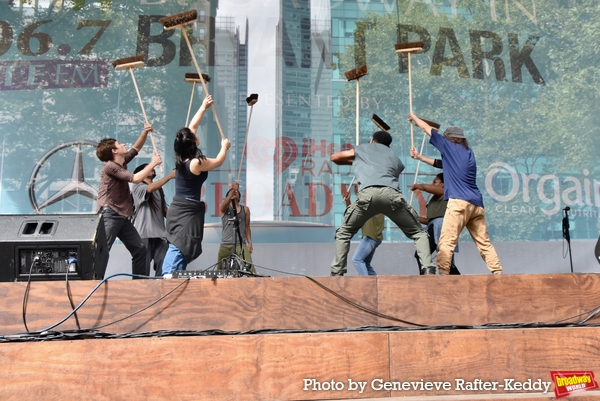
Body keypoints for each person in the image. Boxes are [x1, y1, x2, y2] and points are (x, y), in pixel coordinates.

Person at [330, 130, 436, 276]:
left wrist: (357, 159)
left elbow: (335, 157)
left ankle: (337, 272)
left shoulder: (362, 149)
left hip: (367, 196)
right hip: (391, 196)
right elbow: (388, 172)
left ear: (373, 140)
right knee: (419, 233)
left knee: (344, 233)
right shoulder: (394, 157)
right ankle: (428, 268)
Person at [408, 112, 502, 275]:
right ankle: (498, 273)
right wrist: (419, 157)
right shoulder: (468, 153)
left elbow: (427, 128)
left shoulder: (447, 145)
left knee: (446, 242)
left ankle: (444, 277)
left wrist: (414, 117)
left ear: (448, 137)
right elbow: (441, 163)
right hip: (476, 205)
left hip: (458, 202)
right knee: (484, 243)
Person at [162, 95, 231, 274]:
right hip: (185, 210)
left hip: (181, 207)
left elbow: (192, 126)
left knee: (182, 244)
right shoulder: (196, 163)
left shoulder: (183, 159)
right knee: (180, 244)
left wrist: (203, 106)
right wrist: (224, 146)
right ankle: (168, 275)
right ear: (192, 142)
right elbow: (218, 161)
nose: (196, 132)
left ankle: (173, 274)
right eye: (194, 135)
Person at [95, 123, 162, 278]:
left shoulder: (121, 162)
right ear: (114, 151)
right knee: (102, 251)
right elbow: (136, 178)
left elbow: (136, 149)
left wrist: (145, 133)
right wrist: (153, 163)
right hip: (109, 213)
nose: (124, 144)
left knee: (139, 249)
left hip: (121, 215)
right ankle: (93, 283)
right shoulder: (110, 166)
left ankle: (139, 283)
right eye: (120, 144)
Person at [410, 172, 460, 275]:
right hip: (433, 227)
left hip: (442, 228)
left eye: (435, 182)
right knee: (424, 254)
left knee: (445, 260)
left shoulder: (446, 192)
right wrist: (414, 217)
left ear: (443, 184)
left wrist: (417, 186)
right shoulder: (434, 199)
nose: (432, 185)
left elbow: (425, 187)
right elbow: (430, 220)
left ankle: (427, 274)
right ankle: (427, 274)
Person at [130, 164, 176, 277]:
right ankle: (141, 292)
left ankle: (160, 290)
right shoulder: (137, 186)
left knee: (163, 266)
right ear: (142, 172)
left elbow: (164, 211)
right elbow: (150, 189)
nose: (153, 168)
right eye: (149, 167)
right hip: (143, 234)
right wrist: (169, 176)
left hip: (160, 235)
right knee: (142, 270)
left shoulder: (158, 189)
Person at [343, 186, 384, 276]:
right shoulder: (369, 199)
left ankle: (367, 284)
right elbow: (355, 214)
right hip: (373, 237)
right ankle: (377, 284)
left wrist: (358, 194)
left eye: (359, 185)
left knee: (357, 259)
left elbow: (359, 209)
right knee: (365, 264)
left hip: (370, 237)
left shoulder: (372, 199)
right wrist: (348, 201)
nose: (356, 188)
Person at [217, 182, 255, 273]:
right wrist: (231, 192)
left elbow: (247, 226)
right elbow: (223, 206)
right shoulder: (224, 208)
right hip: (225, 244)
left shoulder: (245, 209)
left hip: (240, 244)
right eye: (232, 193)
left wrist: (250, 242)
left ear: (239, 197)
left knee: (250, 269)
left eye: (236, 192)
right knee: (219, 272)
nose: (234, 193)